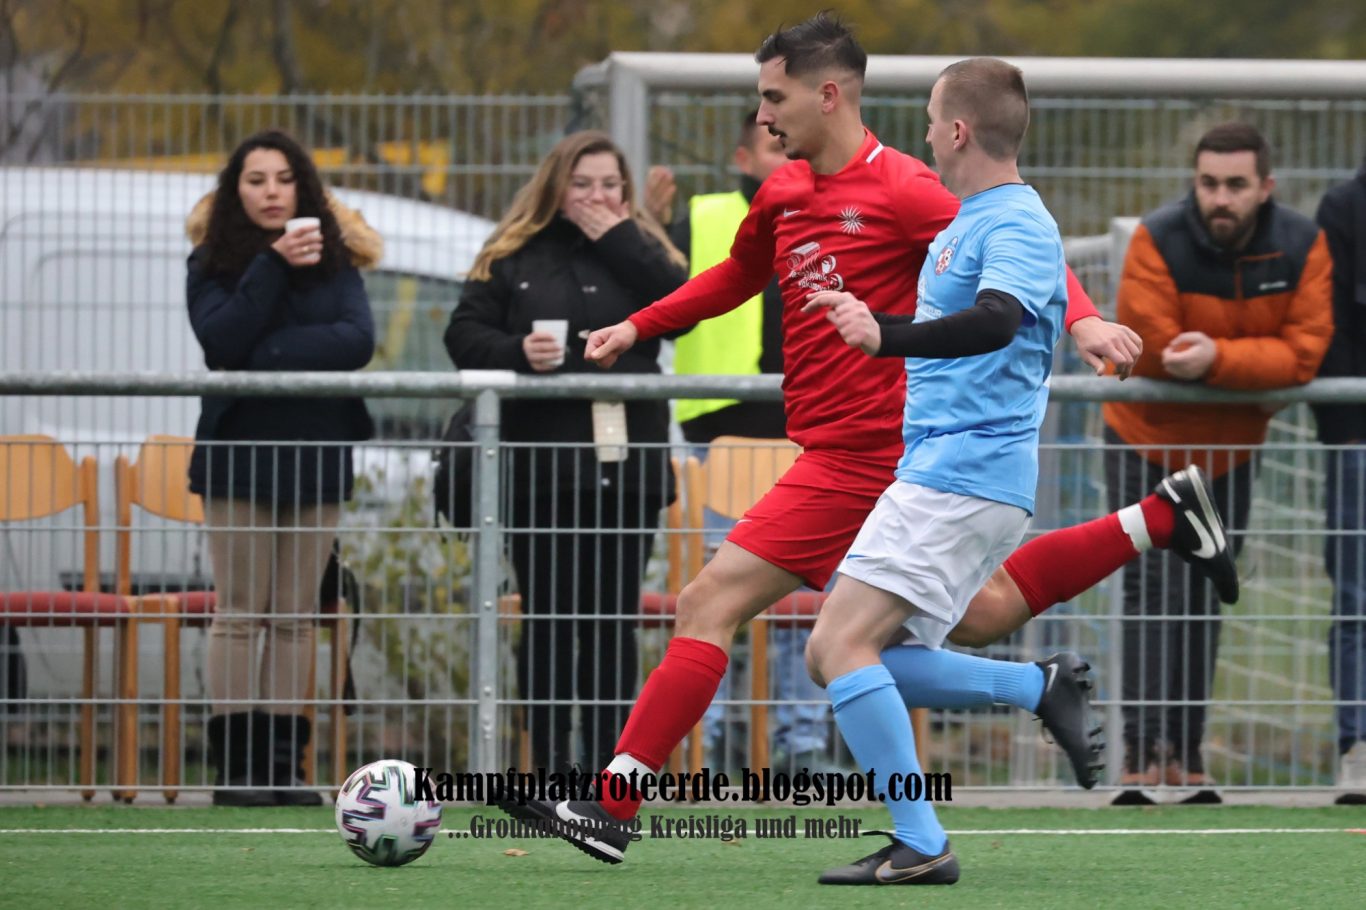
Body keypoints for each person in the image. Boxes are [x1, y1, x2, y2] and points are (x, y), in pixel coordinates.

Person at [507, 13, 1236, 864]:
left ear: (828, 94)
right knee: (975, 614)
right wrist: (640, 325)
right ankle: (1128, 558)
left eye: (773, 97)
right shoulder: (782, 190)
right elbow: (737, 278)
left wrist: (1080, 320)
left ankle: (616, 802)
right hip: (862, 453)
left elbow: (1019, 254)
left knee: (732, 609)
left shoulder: (906, 187)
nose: (763, 115)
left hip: (873, 454)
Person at [802, 55, 1102, 886]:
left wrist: (883, 333)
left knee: (838, 642)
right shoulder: (972, 218)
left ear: (960, 130)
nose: (926, 133)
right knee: (844, 656)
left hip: (965, 475)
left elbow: (1000, 321)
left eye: (933, 119)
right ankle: (1036, 688)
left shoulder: (1015, 223)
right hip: (944, 470)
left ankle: (922, 842)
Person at [444, 130, 687, 775]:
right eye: (582, 185)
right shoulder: (514, 254)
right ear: (555, 186)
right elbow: (463, 334)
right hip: (543, 470)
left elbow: (679, 304)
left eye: (609, 184)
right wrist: (516, 354)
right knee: (550, 622)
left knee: (611, 624)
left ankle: (611, 774)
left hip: (628, 470)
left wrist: (618, 235)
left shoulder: (643, 249)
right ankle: (549, 769)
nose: (595, 197)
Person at [1104, 122, 1333, 804]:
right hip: (1143, 439)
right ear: (1194, 184)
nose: (1220, 199)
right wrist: (1231, 363)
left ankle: (1189, 754)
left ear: (1266, 187)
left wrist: (1216, 360)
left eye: (1236, 185)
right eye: (1208, 184)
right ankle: (1142, 754)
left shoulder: (1302, 244)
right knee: (1150, 594)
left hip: (1230, 453)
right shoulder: (1157, 237)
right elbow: (1148, 345)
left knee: (1206, 590)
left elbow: (1304, 353)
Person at [186, 129, 379, 806]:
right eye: (255, 180)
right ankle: (235, 770)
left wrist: (266, 354)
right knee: (241, 611)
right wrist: (269, 265)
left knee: (297, 614)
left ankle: (283, 767)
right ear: (234, 191)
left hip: (318, 450)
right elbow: (222, 341)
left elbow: (357, 342)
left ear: (304, 187)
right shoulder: (213, 261)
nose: (271, 191)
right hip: (239, 450)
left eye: (283, 179)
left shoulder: (338, 262)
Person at [659, 110, 831, 770]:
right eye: (773, 145)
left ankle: (799, 744)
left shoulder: (828, 214)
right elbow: (667, 294)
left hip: (810, 432)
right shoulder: (702, 220)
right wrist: (650, 226)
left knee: (805, 602)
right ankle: (720, 733)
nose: (788, 159)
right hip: (722, 434)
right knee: (718, 597)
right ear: (742, 157)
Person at [1311, 154, 1366, 806]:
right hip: (1359, 435)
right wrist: (1347, 430)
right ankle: (1359, 745)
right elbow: (1333, 328)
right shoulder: (1344, 208)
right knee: (1356, 594)